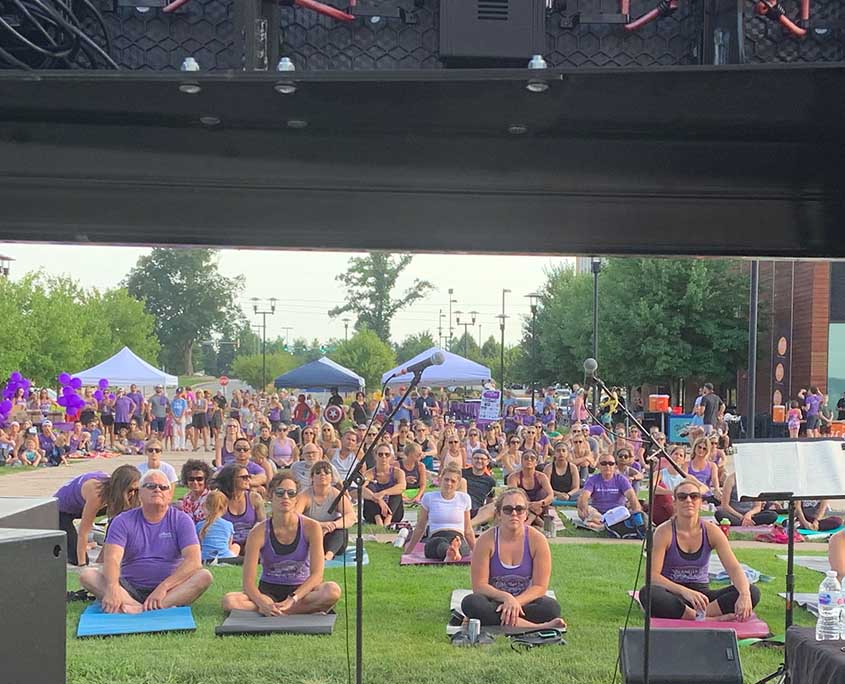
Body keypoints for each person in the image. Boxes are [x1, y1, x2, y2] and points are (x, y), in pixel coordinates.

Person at [79, 469, 213, 613]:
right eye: (151, 486)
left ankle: (138, 609)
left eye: (163, 487)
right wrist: (112, 588)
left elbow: (193, 561)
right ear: (140, 493)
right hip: (129, 587)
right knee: (87, 575)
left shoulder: (182, 520)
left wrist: (163, 587)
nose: (157, 490)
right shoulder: (122, 521)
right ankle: (141, 606)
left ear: (169, 494)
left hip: (169, 589)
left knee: (204, 576)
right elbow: (112, 558)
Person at [221, 470, 342, 616]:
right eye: (280, 492)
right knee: (229, 601)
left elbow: (317, 575)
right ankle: (287, 610)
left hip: (301, 592)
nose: (285, 497)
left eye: (291, 493)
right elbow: (248, 583)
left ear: (296, 498)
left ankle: (279, 611)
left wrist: (293, 598)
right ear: (270, 495)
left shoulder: (312, 527)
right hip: (269, 591)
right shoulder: (257, 532)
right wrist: (261, 602)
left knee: (332, 591)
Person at [639, 481, 760, 621]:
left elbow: (733, 568)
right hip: (673, 593)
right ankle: (710, 619)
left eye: (694, 496)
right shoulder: (664, 532)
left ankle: (698, 614)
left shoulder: (711, 531)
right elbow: (652, 576)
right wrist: (685, 592)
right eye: (682, 497)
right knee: (648, 593)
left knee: (752, 592)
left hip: (702, 597)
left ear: (701, 502)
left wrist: (744, 595)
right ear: (675, 503)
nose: (688, 500)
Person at [461, 487, 564, 629]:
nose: (514, 514)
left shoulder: (537, 540)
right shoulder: (486, 541)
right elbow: (479, 585)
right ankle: (535, 626)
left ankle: (502, 619)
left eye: (519, 509)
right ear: (498, 514)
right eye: (508, 509)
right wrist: (506, 598)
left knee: (551, 608)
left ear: (526, 514)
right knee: (471, 603)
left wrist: (515, 602)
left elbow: (540, 586)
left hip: (524, 602)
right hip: (494, 601)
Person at [54, 465, 141, 566]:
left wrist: (102, 560)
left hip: (80, 504)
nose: (133, 494)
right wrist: (82, 566)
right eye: (130, 490)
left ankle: (98, 554)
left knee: (120, 517)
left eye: (136, 490)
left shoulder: (121, 494)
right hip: (60, 511)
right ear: (120, 487)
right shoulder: (97, 494)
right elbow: (83, 532)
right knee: (79, 559)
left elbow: (116, 527)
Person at [405, 463, 475, 562]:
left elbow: (468, 530)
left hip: (457, 537)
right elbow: (420, 527)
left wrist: (476, 552)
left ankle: (452, 551)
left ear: (458, 483)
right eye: (446, 479)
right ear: (440, 479)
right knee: (439, 544)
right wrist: (408, 552)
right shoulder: (429, 497)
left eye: (453, 481)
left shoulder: (464, 498)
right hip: (436, 537)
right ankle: (450, 551)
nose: (449, 483)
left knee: (462, 546)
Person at [295, 460, 356, 560]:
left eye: (326, 472)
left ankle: (328, 556)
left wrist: (333, 525)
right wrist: (320, 525)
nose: (322, 474)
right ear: (312, 477)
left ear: (331, 477)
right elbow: (295, 516)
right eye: (318, 472)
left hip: (330, 537)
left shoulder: (337, 494)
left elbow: (351, 517)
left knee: (342, 529)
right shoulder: (305, 495)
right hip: (311, 535)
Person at [577, 453, 642, 531]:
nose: (607, 466)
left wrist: (638, 515)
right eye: (604, 463)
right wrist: (584, 508)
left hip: (616, 513)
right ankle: (606, 524)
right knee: (582, 510)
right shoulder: (592, 480)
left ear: (615, 466)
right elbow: (584, 497)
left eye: (611, 463)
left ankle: (600, 525)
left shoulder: (621, 479)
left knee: (625, 512)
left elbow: (632, 497)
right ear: (599, 466)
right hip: (597, 513)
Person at [215, 463, 267, 555]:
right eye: (244, 477)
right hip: (227, 542)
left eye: (249, 477)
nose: (248, 480)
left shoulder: (254, 498)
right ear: (231, 480)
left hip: (251, 541)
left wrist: (252, 535)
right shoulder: (220, 499)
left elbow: (263, 522)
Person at [506, 449, 554, 527]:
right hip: (521, 508)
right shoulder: (513, 477)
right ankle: (535, 519)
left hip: (540, 508)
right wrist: (529, 505)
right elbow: (513, 496)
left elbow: (550, 495)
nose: (529, 460)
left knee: (543, 492)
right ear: (521, 461)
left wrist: (541, 503)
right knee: (519, 492)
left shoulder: (541, 476)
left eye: (532, 458)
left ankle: (532, 519)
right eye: (526, 458)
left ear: (536, 462)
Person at [362, 444, 407, 526]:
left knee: (396, 492)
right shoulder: (369, 473)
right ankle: (378, 519)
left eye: (387, 454)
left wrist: (384, 493)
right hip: (372, 513)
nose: (384, 457)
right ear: (375, 456)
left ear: (391, 457)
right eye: (380, 454)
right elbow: (362, 489)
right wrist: (378, 500)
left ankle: (388, 520)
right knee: (370, 488)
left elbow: (402, 487)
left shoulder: (398, 472)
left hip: (394, 512)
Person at [715, 472, 779, 527]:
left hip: (751, 516)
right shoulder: (731, 479)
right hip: (734, 515)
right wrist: (742, 517)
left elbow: (757, 506)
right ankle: (746, 523)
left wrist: (748, 515)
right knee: (719, 513)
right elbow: (725, 505)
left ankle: (746, 523)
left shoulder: (756, 480)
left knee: (773, 515)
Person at [196, 490, 240, 561]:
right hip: (225, 558)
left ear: (205, 506)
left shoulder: (199, 525)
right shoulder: (228, 525)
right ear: (225, 508)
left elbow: (199, 546)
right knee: (236, 546)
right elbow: (228, 546)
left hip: (205, 557)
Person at [178, 459, 211, 524]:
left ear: (206, 479)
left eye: (199, 479)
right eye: (191, 479)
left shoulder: (211, 498)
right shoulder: (186, 499)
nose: (195, 482)